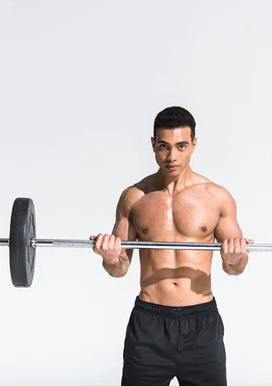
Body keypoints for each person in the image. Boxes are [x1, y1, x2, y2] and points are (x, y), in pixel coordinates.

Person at [90, 106, 252, 386]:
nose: (172, 156)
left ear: (194, 144)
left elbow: (235, 269)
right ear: (153, 144)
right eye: (163, 146)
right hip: (148, 324)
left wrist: (235, 257)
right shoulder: (135, 198)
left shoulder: (216, 197)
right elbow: (119, 269)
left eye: (181, 146)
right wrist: (109, 256)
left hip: (201, 325)